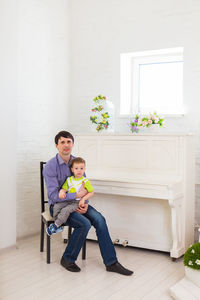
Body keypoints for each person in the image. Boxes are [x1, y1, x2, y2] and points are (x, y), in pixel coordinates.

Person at [43, 130, 133, 275]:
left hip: (78, 202)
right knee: (84, 224)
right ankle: (67, 259)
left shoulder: (78, 162)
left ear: (72, 144)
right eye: (62, 142)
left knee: (99, 219)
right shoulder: (50, 166)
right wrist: (75, 195)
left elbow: (85, 188)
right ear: (56, 145)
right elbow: (53, 196)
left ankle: (111, 262)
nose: (66, 145)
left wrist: (84, 203)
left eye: (69, 142)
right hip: (59, 207)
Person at [46, 157, 94, 236]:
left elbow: (91, 192)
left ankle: (55, 225)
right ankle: (59, 225)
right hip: (68, 200)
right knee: (57, 206)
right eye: (76, 168)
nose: (79, 170)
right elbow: (64, 188)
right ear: (72, 169)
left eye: (81, 168)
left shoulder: (85, 181)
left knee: (66, 210)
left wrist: (84, 199)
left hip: (77, 202)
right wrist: (62, 192)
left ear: (84, 169)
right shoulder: (69, 179)